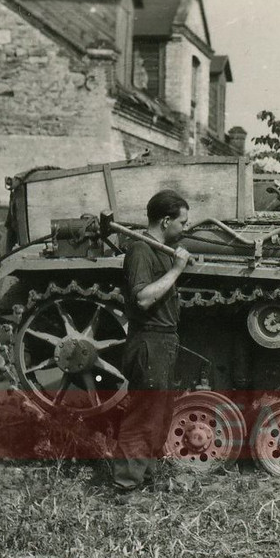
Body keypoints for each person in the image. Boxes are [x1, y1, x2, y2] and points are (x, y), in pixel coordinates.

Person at [112, 190, 191, 491]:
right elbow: (143, 298)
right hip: (148, 342)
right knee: (143, 415)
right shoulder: (141, 251)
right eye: (182, 222)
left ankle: (145, 479)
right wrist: (176, 270)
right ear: (166, 220)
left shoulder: (159, 248)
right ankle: (125, 486)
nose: (185, 228)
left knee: (159, 414)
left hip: (163, 341)